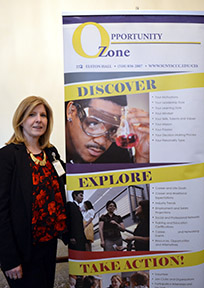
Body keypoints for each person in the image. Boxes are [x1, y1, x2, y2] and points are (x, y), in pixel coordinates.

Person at [0, 96, 68, 288]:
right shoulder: (7, 156)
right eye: (32, 114)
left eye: (43, 115)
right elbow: (1, 212)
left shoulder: (51, 152)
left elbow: (68, 178)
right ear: (21, 119)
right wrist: (9, 258)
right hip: (21, 250)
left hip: (49, 244)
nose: (39, 119)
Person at [65, 95, 149, 164]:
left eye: (112, 130)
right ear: (71, 112)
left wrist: (142, 158)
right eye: (93, 123)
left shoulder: (116, 155)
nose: (101, 142)